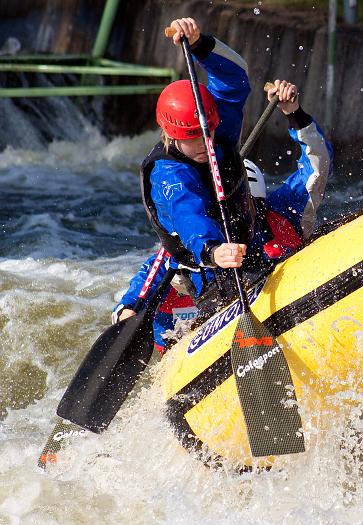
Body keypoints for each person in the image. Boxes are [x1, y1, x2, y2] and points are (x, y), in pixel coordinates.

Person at [112, 17, 332, 349]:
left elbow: (235, 79)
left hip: (252, 255)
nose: (206, 143)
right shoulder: (169, 175)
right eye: (194, 139)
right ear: (172, 136)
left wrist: (200, 43)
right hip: (209, 272)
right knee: (149, 299)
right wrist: (214, 251)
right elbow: (188, 217)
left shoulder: (274, 211)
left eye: (209, 133)